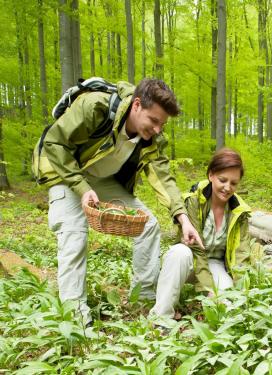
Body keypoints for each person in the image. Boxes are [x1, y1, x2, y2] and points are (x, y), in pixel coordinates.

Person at [32, 78, 203, 325]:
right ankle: (75, 315)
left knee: (148, 225)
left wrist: (183, 219)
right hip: (66, 172)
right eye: (153, 120)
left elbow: (165, 180)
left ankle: (143, 297)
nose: (157, 129)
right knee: (74, 233)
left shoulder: (153, 139)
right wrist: (81, 188)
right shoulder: (95, 107)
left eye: (162, 124)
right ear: (136, 105)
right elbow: (55, 143)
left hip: (102, 180)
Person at [150, 148, 256, 321]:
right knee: (179, 253)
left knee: (230, 306)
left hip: (215, 265)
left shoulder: (239, 211)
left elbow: (241, 255)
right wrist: (208, 290)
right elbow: (197, 250)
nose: (228, 188)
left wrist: (242, 290)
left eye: (234, 183)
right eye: (223, 180)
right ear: (211, 175)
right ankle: (161, 318)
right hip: (189, 260)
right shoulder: (193, 200)